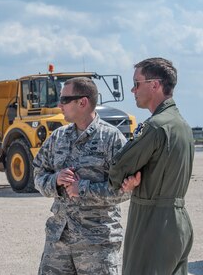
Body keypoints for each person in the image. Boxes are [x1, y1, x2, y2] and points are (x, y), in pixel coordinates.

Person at [33, 77, 130, 275]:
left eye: (64, 100)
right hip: (59, 240)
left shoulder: (111, 139)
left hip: (96, 243)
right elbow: (38, 174)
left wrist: (83, 189)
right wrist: (55, 181)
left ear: (82, 102)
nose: (59, 105)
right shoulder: (58, 137)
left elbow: (125, 190)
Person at [108, 57, 194, 275]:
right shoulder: (182, 125)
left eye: (137, 83)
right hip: (178, 220)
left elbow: (117, 170)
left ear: (154, 85)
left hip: (152, 222)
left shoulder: (155, 127)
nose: (132, 89)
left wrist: (132, 178)